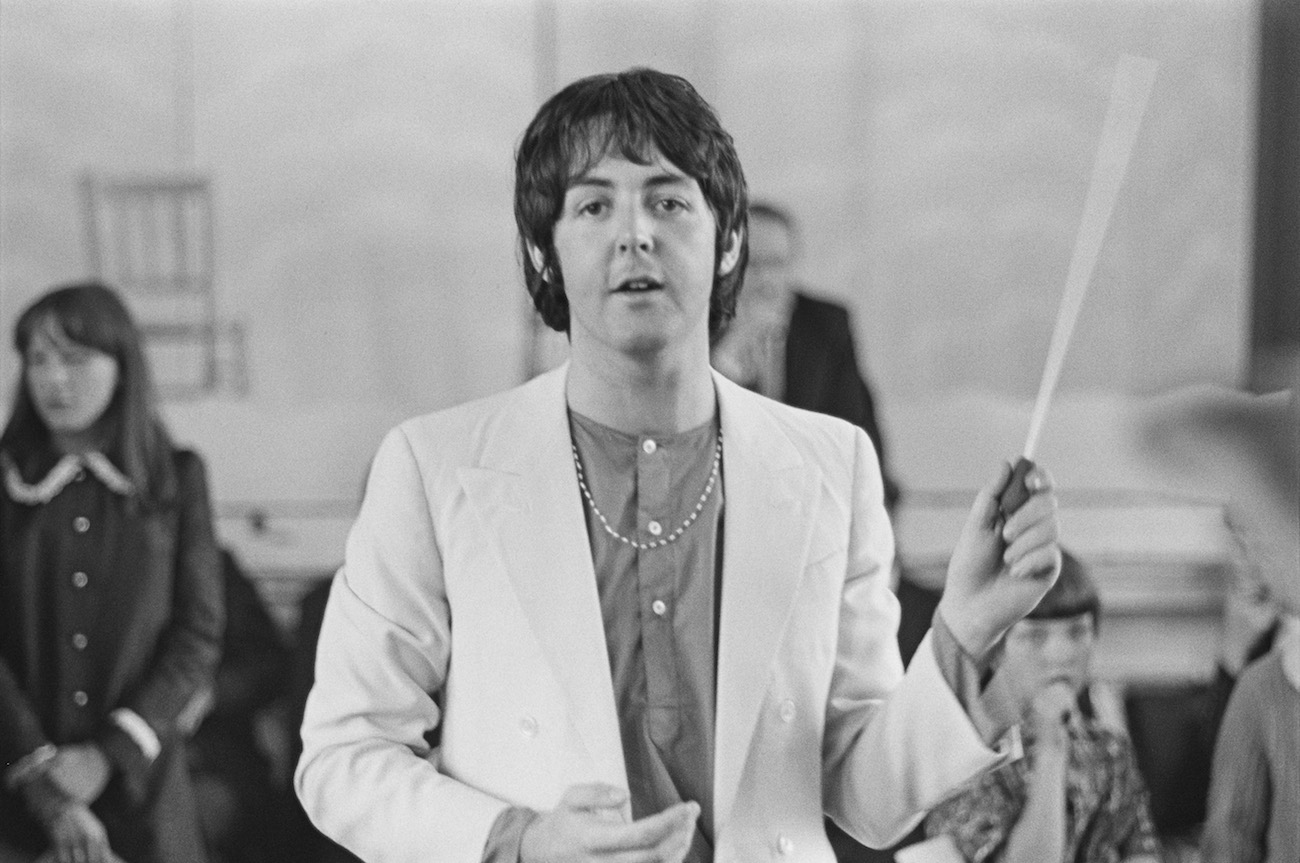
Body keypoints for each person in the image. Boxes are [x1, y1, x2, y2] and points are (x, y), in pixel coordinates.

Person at [296, 68, 1062, 863]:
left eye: (668, 201)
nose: (636, 234)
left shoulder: (833, 462)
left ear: (728, 241)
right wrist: (519, 840)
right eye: (594, 206)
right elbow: (345, 757)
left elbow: (863, 798)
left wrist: (967, 629)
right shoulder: (434, 466)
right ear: (543, 252)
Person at [0, 283, 224, 863]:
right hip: (14, 794)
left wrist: (108, 755)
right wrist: (42, 777)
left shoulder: (176, 478)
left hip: (146, 793)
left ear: (122, 367)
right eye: (38, 359)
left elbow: (198, 634)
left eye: (75, 359)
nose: (54, 379)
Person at [923, 550, 1161, 863]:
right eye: (1035, 636)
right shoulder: (966, 752)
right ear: (995, 648)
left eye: (1077, 632)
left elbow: (1142, 850)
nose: (1060, 654)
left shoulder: (1108, 749)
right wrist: (1051, 748)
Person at [710, 201, 899, 511]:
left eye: (777, 264)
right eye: (753, 264)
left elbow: (858, 428)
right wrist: (724, 365)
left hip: (810, 497)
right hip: (726, 501)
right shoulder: (698, 325)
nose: (765, 278)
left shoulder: (826, 324)